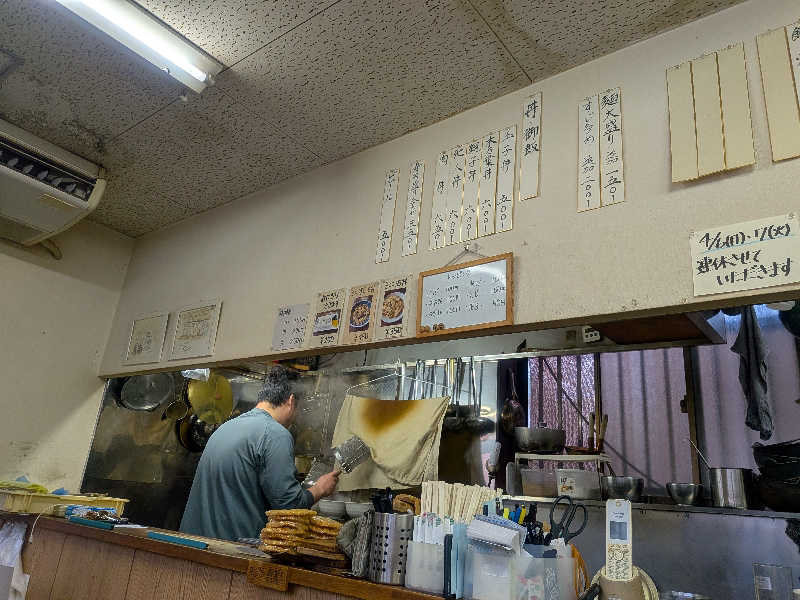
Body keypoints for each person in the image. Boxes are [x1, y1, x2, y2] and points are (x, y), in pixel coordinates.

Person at [180, 365, 340, 541]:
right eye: (299, 409)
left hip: (192, 544)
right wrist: (320, 488)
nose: (297, 416)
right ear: (291, 401)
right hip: (233, 551)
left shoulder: (226, 427)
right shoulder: (274, 434)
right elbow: (290, 507)